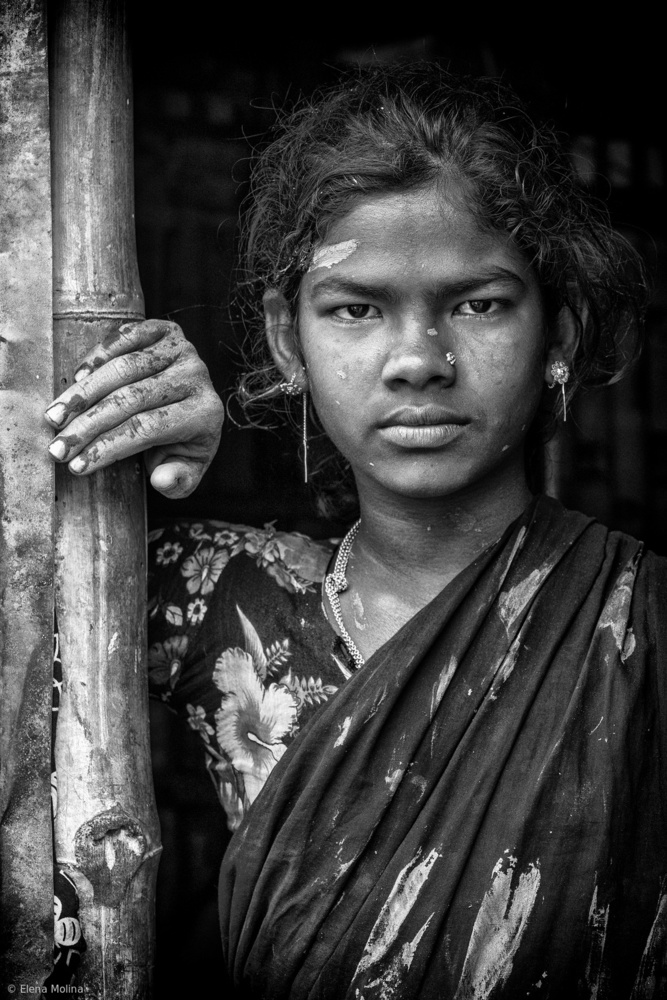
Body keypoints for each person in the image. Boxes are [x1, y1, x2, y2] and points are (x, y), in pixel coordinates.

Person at [45, 64, 666, 999]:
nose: (418, 359)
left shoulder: (644, 626)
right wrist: (124, 461)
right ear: (289, 342)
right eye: (355, 309)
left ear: (561, 334)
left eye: (478, 304)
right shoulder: (214, 598)